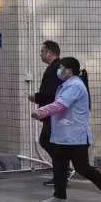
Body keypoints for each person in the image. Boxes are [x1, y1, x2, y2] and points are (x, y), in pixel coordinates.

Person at [34, 56, 101, 202]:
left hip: (76, 136)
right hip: (64, 135)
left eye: (61, 68)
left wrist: (41, 112)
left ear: (69, 70)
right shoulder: (67, 84)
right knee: (59, 165)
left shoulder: (75, 85)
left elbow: (60, 105)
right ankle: (59, 196)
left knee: (82, 167)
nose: (59, 70)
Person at [29, 40, 62, 176]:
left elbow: (50, 93)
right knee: (47, 141)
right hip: (53, 112)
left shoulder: (55, 69)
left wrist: (35, 97)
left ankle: (62, 169)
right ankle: (61, 170)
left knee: (46, 141)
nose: (40, 54)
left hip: (53, 112)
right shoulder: (55, 67)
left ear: (49, 52)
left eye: (42, 51)